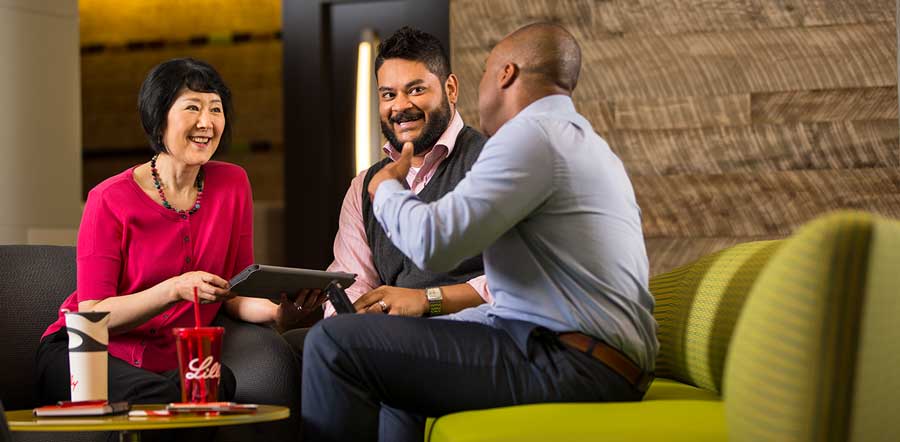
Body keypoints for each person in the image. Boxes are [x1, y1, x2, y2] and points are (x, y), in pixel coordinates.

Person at [300, 23, 659, 442]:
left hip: (571, 360)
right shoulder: (579, 139)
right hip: (588, 355)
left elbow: (432, 244)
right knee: (396, 377)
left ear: (505, 74)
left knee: (334, 343)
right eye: (389, 94)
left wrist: (386, 188)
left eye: (485, 73)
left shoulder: (527, 137)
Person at [35, 58, 311, 415]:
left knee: (216, 382)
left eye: (216, 109)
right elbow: (92, 311)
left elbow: (234, 291)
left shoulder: (233, 184)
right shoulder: (108, 199)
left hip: (174, 365)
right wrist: (174, 289)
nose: (206, 122)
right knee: (182, 391)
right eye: (192, 107)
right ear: (158, 116)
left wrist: (277, 313)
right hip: (86, 353)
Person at [282, 27, 489, 335]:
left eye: (416, 90)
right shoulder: (363, 186)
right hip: (391, 336)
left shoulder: (492, 161)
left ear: (451, 89)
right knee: (304, 343)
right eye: (388, 94)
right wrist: (346, 320)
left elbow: (515, 282)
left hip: (471, 333)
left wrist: (425, 300)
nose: (400, 106)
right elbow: (352, 280)